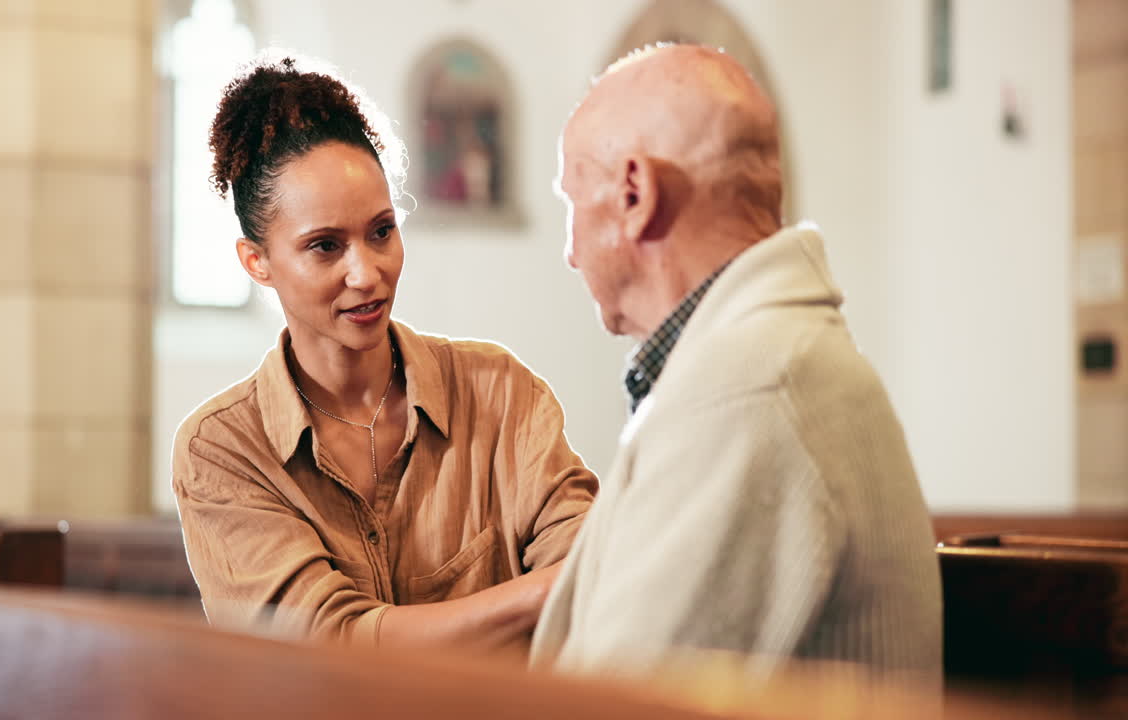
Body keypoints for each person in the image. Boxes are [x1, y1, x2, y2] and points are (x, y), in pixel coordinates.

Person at [531, 44, 942, 685]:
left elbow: (619, 701)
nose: (570, 252)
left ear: (634, 193)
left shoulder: (749, 388)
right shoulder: (762, 361)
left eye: (572, 203)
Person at [173, 54, 596, 650]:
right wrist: (545, 592)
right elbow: (329, 649)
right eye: (325, 246)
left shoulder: (501, 392)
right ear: (257, 262)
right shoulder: (221, 449)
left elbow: (594, 573)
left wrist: (577, 579)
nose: (366, 274)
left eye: (381, 232)